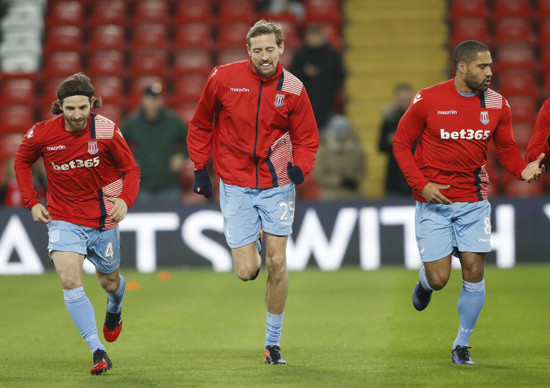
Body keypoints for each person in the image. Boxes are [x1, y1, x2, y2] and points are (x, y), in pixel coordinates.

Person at [392, 40, 544, 365]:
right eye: (482, 66)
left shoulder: (497, 105)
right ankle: (424, 283)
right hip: (433, 202)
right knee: (439, 279)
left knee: (474, 270)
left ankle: (462, 344)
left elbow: (504, 151)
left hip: (474, 202)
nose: (490, 72)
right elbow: (401, 143)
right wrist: (421, 184)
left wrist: (523, 169)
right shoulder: (428, 99)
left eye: (490, 66)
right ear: (462, 67)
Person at [187, 20, 319, 365]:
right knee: (247, 270)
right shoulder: (223, 78)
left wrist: (300, 167)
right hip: (235, 181)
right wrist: (200, 167)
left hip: (277, 183)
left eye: (270, 49)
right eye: (257, 50)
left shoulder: (293, 88)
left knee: (277, 261)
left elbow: (306, 137)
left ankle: (272, 343)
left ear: (281, 49)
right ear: (248, 51)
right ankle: (254, 245)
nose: (264, 56)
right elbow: (201, 123)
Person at [13, 73, 140, 375]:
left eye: (83, 108)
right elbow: (21, 161)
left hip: (102, 219)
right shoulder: (42, 134)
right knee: (70, 280)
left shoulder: (106, 130)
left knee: (109, 283)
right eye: (70, 109)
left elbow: (131, 169)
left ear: (92, 103)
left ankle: (115, 307)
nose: (78, 115)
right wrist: (32, 201)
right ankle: (98, 350)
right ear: (59, 106)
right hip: (63, 218)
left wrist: (124, 200)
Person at [122, 83, 188, 205]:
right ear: (143, 100)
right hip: (142, 186)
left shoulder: (172, 120)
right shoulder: (133, 122)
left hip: (169, 185)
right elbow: (117, 145)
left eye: (157, 98)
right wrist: (129, 162)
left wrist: (181, 156)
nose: (154, 102)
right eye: (150, 98)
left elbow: (190, 140)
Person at [290, 22, 344, 130]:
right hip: (304, 103)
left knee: (325, 135)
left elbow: (340, 75)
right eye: (311, 36)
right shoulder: (300, 55)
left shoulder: (332, 55)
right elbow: (291, 77)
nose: (314, 39)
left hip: (326, 102)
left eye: (316, 35)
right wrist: (304, 72)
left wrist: (333, 90)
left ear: (322, 36)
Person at [314, 114, 366, 200]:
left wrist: (353, 180)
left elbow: (362, 170)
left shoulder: (356, 150)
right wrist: (339, 181)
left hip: (353, 196)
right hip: (330, 197)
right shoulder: (323, 151)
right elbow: (319, 175)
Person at [378, 83, 415, 197]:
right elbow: (381, 146)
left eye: (406, 97)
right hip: (395, 178)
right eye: (401, 98)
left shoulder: (421, 118)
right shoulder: (389, 120)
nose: (403, 100)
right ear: (396, 99)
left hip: (417, 178)